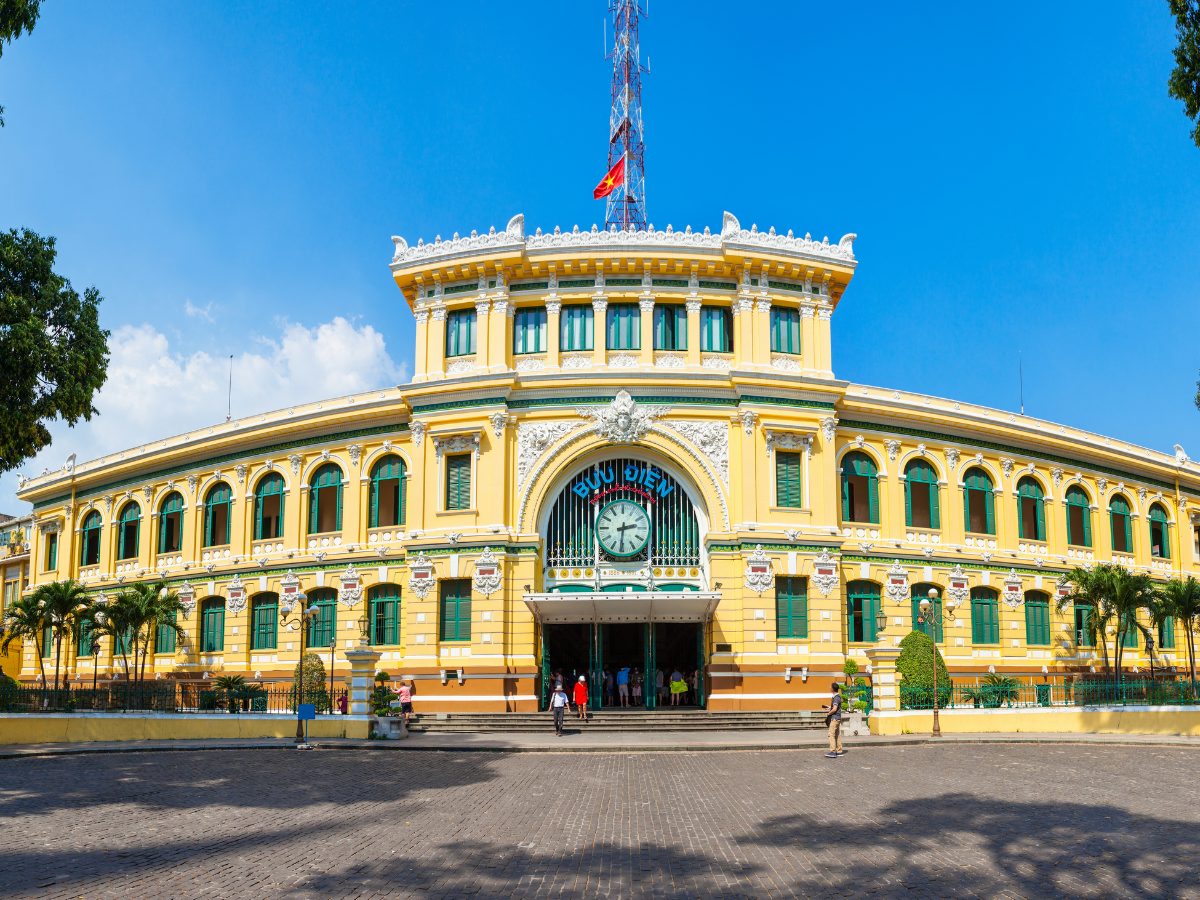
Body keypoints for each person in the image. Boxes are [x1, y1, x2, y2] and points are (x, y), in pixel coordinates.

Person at [823, 682, 844, 757]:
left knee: (831, 734)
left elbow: (834, 709)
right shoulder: (838, 697)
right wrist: (829, 708)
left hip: (834, 718)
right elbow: (835, 707)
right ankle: (839, 750)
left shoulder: (836, 697)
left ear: (832, 689)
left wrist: (829, 713)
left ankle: (833, 751)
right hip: (838, 718)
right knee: (836, 735)